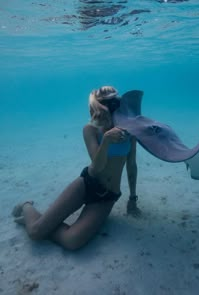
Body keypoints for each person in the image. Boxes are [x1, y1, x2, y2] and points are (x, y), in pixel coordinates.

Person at [12, 86, 141, 251]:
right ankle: (27, 206)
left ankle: (41, 222)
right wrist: (106, 140)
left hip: (107, 196)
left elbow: (132, 165)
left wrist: (132, 199)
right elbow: (98, 166)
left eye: (116, 103)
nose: (113, 109)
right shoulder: (90, 129)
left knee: (72, 241)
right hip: (86, 183)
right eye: (108, 105)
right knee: (36, 233)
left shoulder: (129, 132)